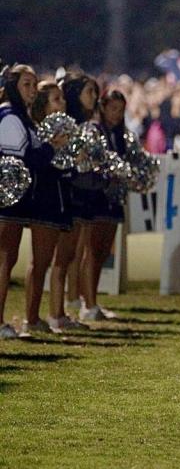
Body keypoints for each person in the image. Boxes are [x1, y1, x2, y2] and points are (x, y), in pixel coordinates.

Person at [0, 64, 69, 338]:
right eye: (26, 85)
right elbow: (25, 162)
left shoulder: (22, 118)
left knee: (8, 259)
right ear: (12, 86)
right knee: (4, 260)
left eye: (33, 84)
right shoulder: (9, 117)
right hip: (7, 201)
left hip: (17, 202)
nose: (31, 90)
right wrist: (53, 147)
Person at [29, 80, 87, 332]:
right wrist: (54, 147)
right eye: (56, 99)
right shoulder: (40, 132)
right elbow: (40, 164)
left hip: (62, 199)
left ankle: (55, 313)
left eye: (62, 98)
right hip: (45, 200)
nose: (62, 103)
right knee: (41, 262)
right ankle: (33, 318)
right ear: (44, 105)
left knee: (61, 258)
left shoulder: (66, 131)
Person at [73, 89, 129, 321]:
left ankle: (92, 300)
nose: (116, 114)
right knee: (92, 251)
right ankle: (88, 303)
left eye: (121, 110)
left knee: (104, 251)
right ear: (103, 107)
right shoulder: (94, 130)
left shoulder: (120, 134)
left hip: (112, 199)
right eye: (113, 108)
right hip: (96, 196)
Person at [54, 73, 100, 320]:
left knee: (78, 252)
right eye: (88, 92)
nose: (94, 98)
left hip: (85, 192)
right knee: (65, 256)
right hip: (72, 192)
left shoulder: (88, 124)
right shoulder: (69, 126)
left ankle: (71, 302)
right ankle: (60, 309)